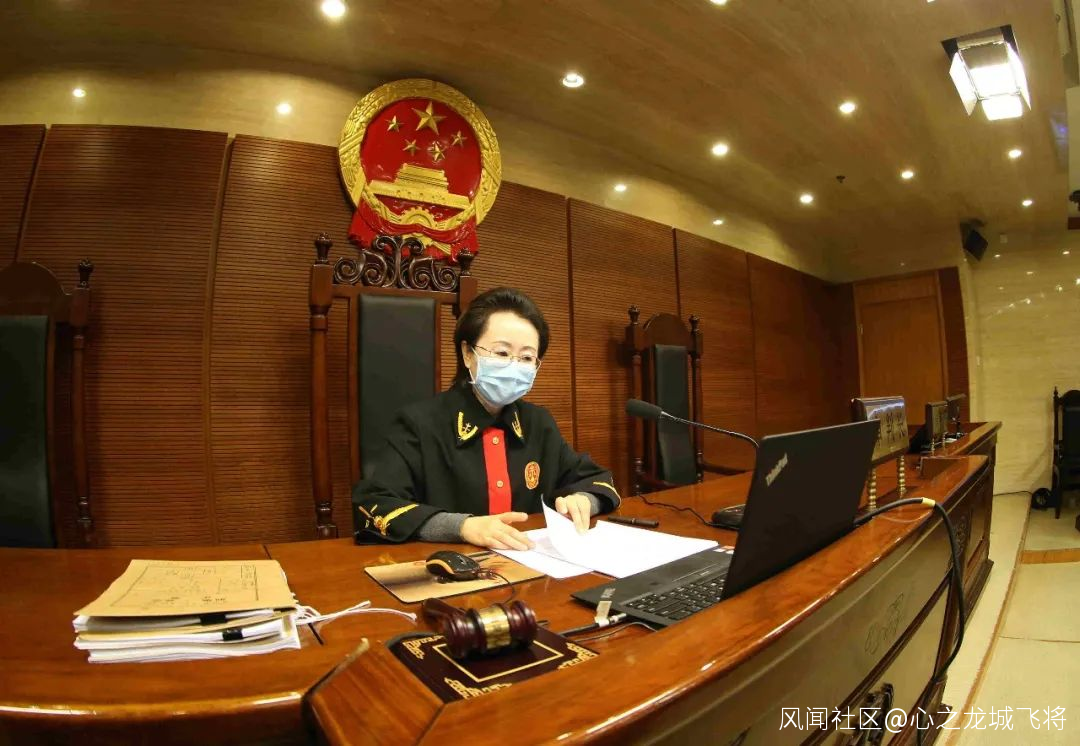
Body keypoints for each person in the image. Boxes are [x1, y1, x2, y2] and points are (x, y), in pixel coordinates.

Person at [352, 287, 620, 549]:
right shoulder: (419, 423)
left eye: (527, 357)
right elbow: (374, 504)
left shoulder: (538, 424)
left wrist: (584, 500)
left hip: (531, 562)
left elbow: (596, 479)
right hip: (448, 567)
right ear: (468, 354)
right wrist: (461, 527)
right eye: (502, 353)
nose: (514, 365)